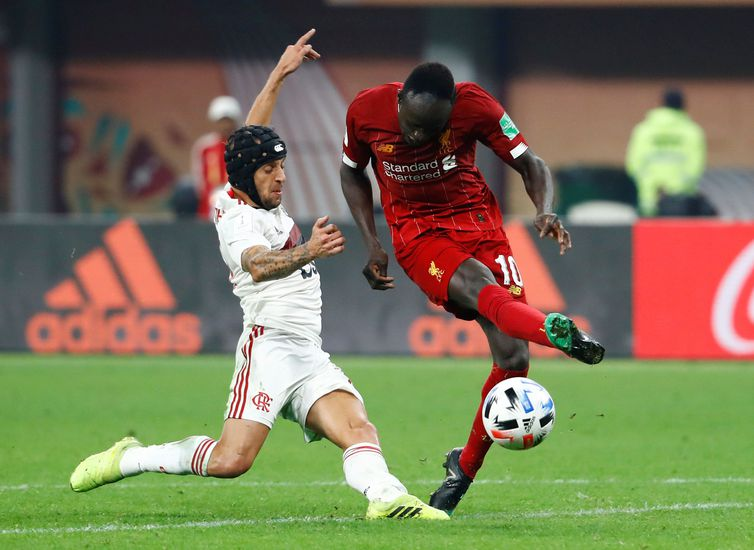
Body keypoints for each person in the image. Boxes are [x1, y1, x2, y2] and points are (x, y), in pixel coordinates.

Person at [70, 30, 448, 522]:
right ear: (249, 176)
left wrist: (280, 73)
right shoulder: (236, 220)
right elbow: (256, 264)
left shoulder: (253, 189)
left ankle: (389, 499)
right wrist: (309, 249)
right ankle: (131, 457)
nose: (282, 177)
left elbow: (250, 134)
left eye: (282, 166)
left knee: (358, 428)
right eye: (272, 169)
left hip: (306, 350)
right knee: (231, 461)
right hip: (267, 348)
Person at [340, 62, 605, 515]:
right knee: (481, 286)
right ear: (400, 100)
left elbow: (530, 163)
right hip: (417, 232)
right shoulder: (366, 109)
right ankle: (554, 332)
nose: (420, 138)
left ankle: (461, 469)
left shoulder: (476, 105)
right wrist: (372, 242)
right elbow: (351, 172)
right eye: (413, 126)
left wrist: (544, 209)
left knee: (514, 360)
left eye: (433, 129)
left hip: (479, 226)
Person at [626, 88, 713, 217]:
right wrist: (680, 187)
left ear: (662, 104)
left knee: (649, 237)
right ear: (683, 106)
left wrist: (647, 183)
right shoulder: (692, 132)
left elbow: (634, 164)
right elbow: (696, 166)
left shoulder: (643, 130)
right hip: (681, 204)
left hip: (649, 203)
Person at [190, 95, 243, 219]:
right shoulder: (205, 147)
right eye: (221, 120)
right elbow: (199, 183)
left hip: (237, 203)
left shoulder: (245, 145)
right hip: (210, 206)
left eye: (228, 120)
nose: (225, 125)